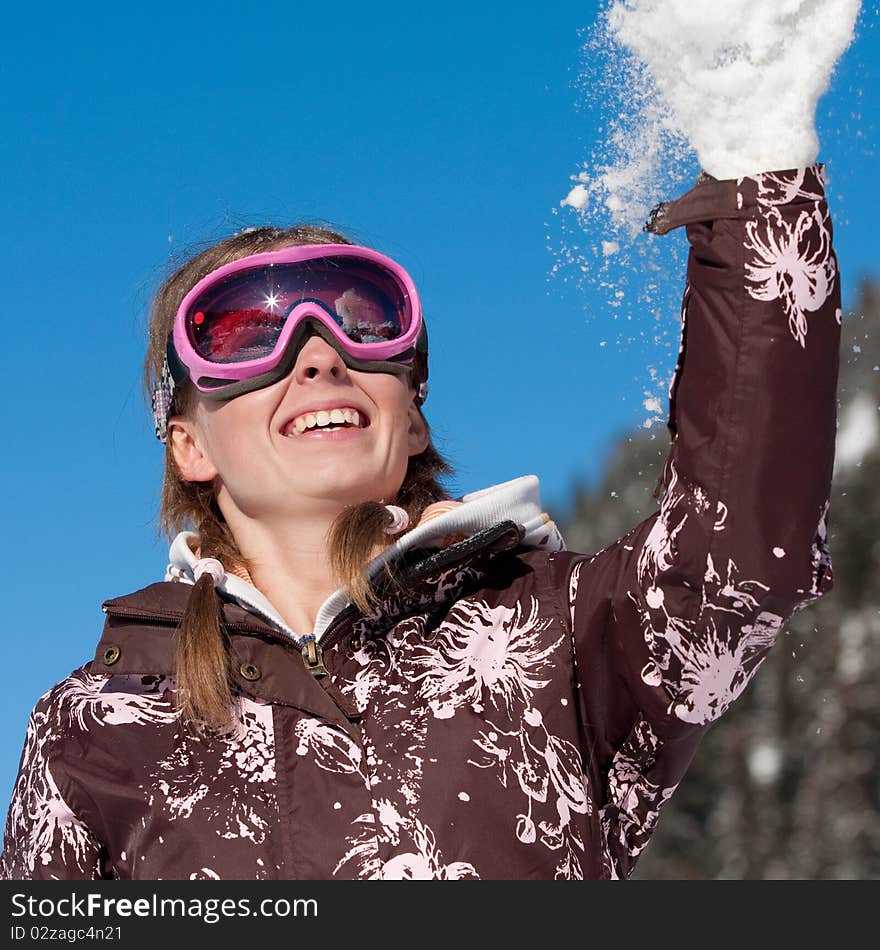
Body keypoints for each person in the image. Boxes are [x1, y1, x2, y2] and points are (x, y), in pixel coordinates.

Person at [0, 164, 840, 880]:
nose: (320, 354)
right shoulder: (96, 725)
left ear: (412, 419)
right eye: (249, 334)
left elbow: (739, 555)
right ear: (189, 444)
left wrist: (757, 183)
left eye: (363, 323)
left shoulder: (555, 634)